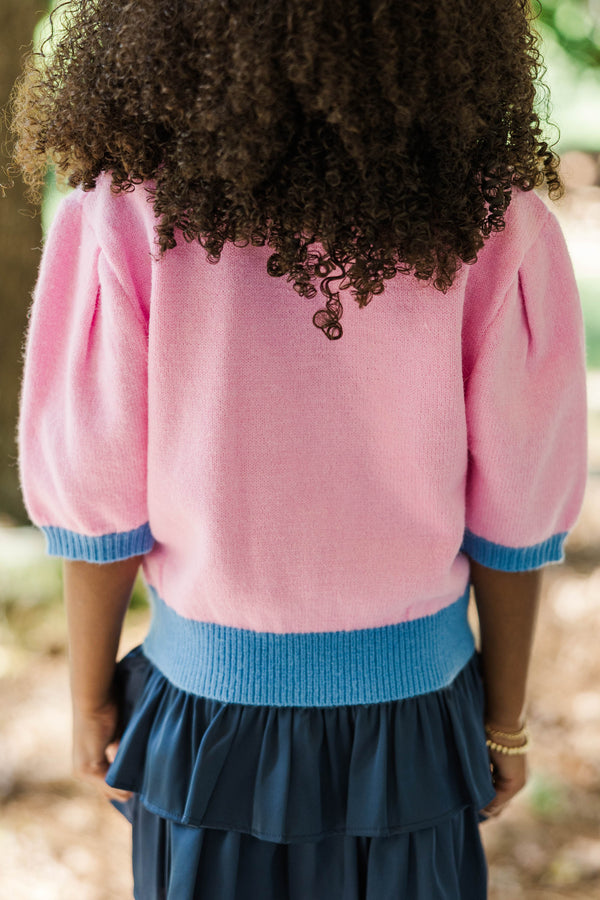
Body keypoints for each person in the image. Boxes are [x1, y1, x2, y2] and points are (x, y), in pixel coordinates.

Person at [12, 1, 588, 898]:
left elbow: (96, 491)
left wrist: (90, 697)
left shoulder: (124, 210)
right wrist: (503, 720)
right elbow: (517, 506)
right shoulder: (494, 218)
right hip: (416, 729)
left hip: (200, 728)